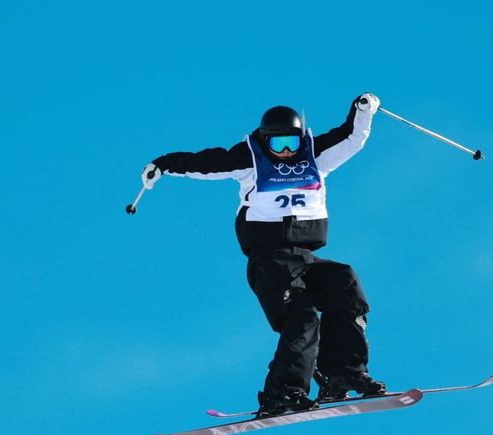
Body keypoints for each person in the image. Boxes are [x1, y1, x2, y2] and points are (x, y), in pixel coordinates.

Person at [147, 93, 386, 416]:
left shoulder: (316, 156)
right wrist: (164, 164)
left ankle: (343, 372)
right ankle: (284, 393)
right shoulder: (250, 160)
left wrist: (363, 110)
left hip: (306, 256)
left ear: (301, 139)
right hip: (270, 261)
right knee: (302, 320)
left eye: (291, 143)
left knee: (345, 284)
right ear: (265, 140)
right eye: (277, 145)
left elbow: (352, 137)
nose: (286, 152)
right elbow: (206, 162)